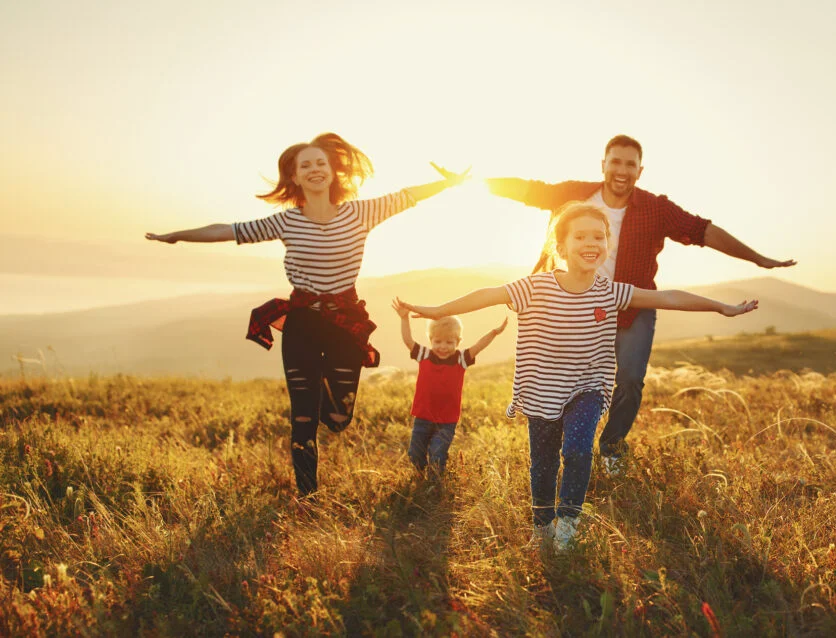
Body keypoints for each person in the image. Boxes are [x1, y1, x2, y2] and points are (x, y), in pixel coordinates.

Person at [393, 201, 757, 552]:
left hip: (588, 388)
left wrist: (720, 306)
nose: (591, 243)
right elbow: (487, 295)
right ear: (561, 245)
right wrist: (437, 310)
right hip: (541, 391)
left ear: (606, 246)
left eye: (599, 237)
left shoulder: (611, 292)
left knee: (578, 449)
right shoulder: (534, 287)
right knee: (544, 462)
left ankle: (568, 525)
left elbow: (670, 298)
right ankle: (542, 527)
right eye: (581, 236)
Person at [146, 132, 467, 498]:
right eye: (305, 166)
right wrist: (176, 236)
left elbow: (407, 196)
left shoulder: (361, 212)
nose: (314, 169)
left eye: (320, 163)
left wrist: (449, 182)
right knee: (302, 417)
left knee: (338, 417)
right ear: (295, 177)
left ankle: (322, 404)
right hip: (302, 322)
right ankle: (307, 495)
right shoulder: (286, 222)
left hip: (345, 323)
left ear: (332, 171)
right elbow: (227, 230)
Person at [461, 134, 793, 475]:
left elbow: (702, 231)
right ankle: (563, 444)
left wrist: (757, 259)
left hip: (632, 305)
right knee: (564, 378)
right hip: (573, 305)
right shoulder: (575, 194)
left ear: (640, 170)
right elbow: (528, 190)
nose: (622, 170)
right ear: (603, 165)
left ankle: (612, 448)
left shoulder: (655, 208)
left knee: (631, 379)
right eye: (615, 162)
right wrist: (468, 180)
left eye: (630, 164)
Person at [395, 310, 507, 480]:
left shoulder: (461, 358)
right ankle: (419, 477)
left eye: (449, 342)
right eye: (437, 341)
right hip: (423, 417)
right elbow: (408, 341)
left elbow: (479, 345)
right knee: (415, 453)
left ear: (458, 342)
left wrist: (494, 333)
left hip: (447, 420)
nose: (443, 346)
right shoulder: (425, 355)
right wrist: (404, 318)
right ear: (430, 340)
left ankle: (434, 485)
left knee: (437, 454)